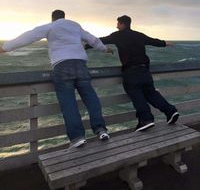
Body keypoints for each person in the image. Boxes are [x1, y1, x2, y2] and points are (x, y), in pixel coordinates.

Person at [0, 10, 112, 147]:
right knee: (90, 98)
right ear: (64, 17)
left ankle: (77, 137)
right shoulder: (75, 25)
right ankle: (101, 130)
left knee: (68, 104)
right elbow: (92, 39)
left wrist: (4, 48)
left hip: (62, 66)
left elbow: (29, 36)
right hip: (81, 65)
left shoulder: (51, 26)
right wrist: (105, 49)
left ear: (53, 18)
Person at [86, 15, 179, 132]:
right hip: (144, 70)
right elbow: (153, 41)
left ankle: (146, 120)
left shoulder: (117, 35)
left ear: (123, 24)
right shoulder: (139, 35)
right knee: (151, 93)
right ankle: (171, 111)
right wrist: (165, 43)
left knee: (136, 94)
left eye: (118, 24)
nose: (116, 26)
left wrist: (86, 45)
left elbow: (101, 40)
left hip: (131, 71)